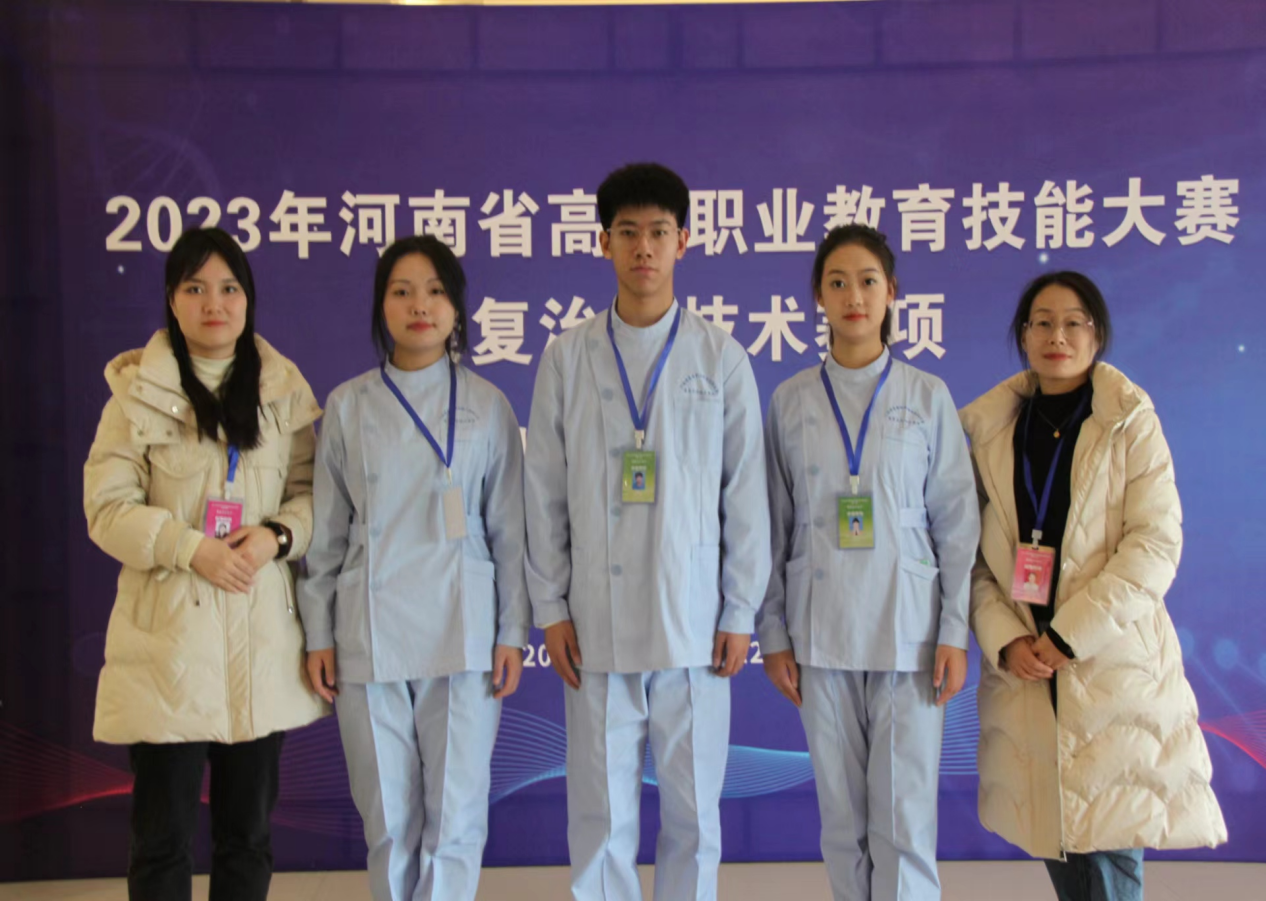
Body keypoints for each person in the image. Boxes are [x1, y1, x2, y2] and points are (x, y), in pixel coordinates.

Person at [524, 162, 770, 901]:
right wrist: (550, 606)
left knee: (694, 818)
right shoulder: (567, 358)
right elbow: (544, 491)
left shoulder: (720, 357)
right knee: (600, 821)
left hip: (694, 626)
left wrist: (739, 610)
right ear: (603, 242)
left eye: (658, 232)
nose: (643, 248)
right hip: (594, 628)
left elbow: (745, 494)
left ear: (683, 242)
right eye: (627, 232)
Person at [960, 271, 1226, 900]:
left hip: (1109, 664)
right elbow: (968, 559)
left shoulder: (1130, 422)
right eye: (1042, 323)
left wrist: (1068, 636)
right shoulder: (990, 432)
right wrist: (1006, 640)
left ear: (1097, 334)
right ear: (1024, 335)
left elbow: (1154, 545)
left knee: (1107, 852)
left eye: (1073, 322)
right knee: (1064, 847)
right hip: (1028, 669)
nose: (1057, 336)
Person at [84, 227, 326, 901]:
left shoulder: (281, 389)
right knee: (161, 843)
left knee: (247, 838)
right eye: (195, 288)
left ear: (248, 299)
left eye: (228, 288)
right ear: (173, 300)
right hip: (169, 652)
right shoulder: (134, 394)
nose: (213, 303)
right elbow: (106, 508)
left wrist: (276, 535)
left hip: (259, 645)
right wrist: (190, 548)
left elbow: (313, 494)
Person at [298, 236, 528, 901]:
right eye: (401, 291)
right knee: (389, 821)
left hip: (464, 631)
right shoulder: (348, 405)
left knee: (455, 817)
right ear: (382, 306)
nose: (419, 305)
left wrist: (512, 631)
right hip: (368, 633)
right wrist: (319, 632)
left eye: (434, 291)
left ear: (456, 306)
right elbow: (326, 533)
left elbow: (511, 532)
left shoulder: (488, 404)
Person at [758, 225, 979, 901]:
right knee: (842, 819)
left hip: (909, 632)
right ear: (818, 298)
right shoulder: (791, 400)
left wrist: (953, 630)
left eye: (867, 281)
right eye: (837, 282)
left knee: (904, 818)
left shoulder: (926, 395)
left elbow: (957, 522)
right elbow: (772, 525)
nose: (853, 296)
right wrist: (773, 632)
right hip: (819, 632)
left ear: (892, 293)